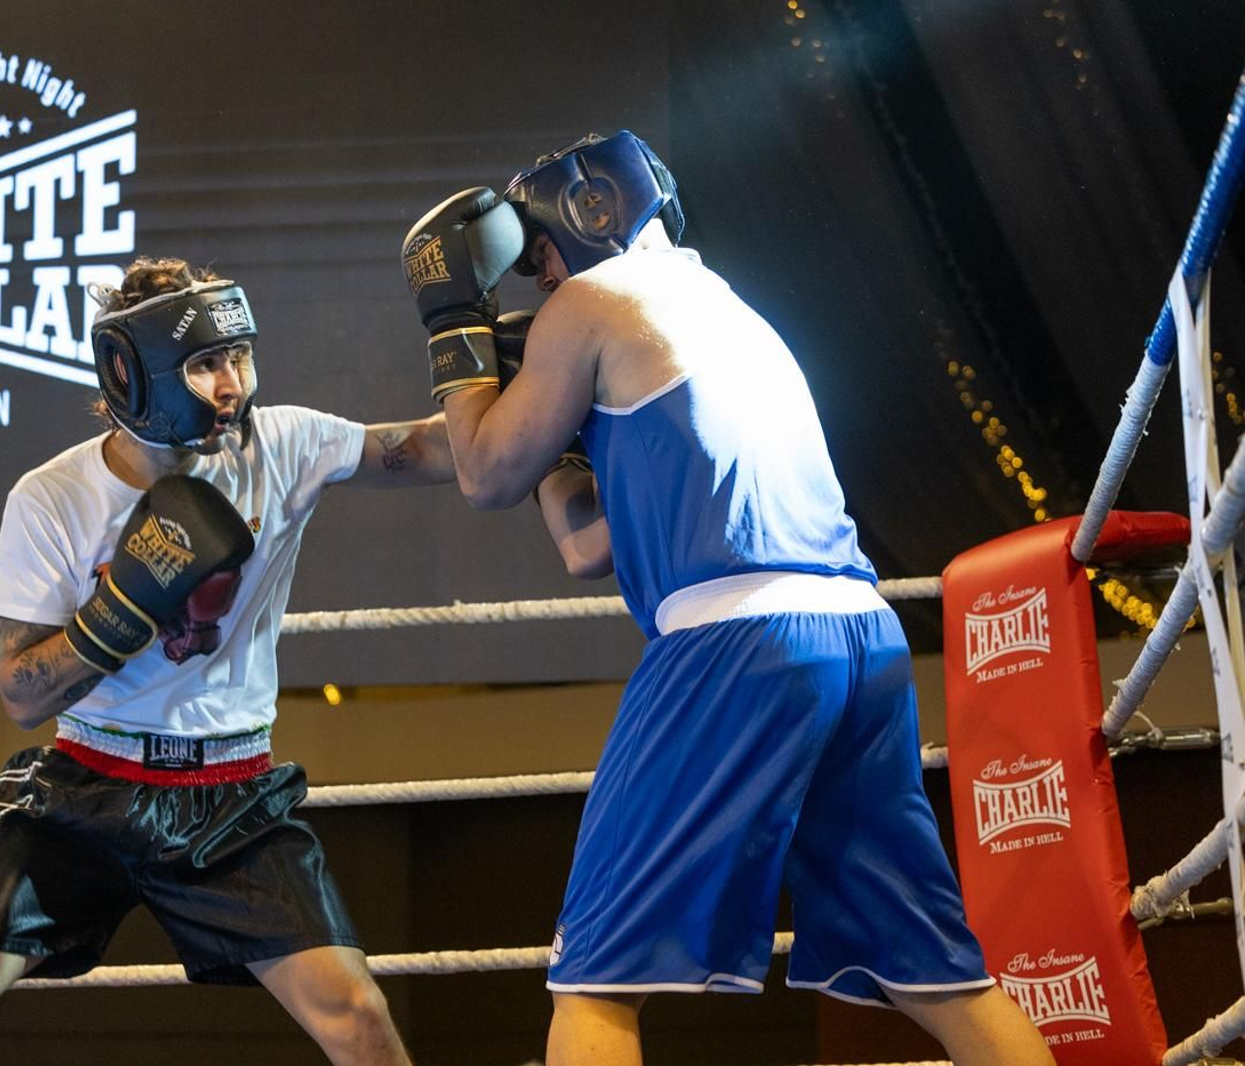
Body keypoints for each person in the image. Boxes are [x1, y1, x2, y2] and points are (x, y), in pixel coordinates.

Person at [401, 132, 1054, 1066]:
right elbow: (591, 547)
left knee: (592, 987)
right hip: (859, 643)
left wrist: (452, 323)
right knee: (939, 976)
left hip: (735, 641)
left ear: (590, 216)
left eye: (539, 255)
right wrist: (562, 433)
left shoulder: (591, 301)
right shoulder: (734, 312)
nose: (539, 281)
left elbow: (482, 471)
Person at [0, 257, 455, 1066]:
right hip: (86, 789)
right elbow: (19, 692)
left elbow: (430, 450)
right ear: (137, 373)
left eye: (240, 355)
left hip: (231, 798)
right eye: (208, 363)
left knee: (359, 1019)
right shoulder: (53, 498)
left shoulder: (278, 446)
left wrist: (532, 388)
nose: (233, 385)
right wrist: (118, 615)